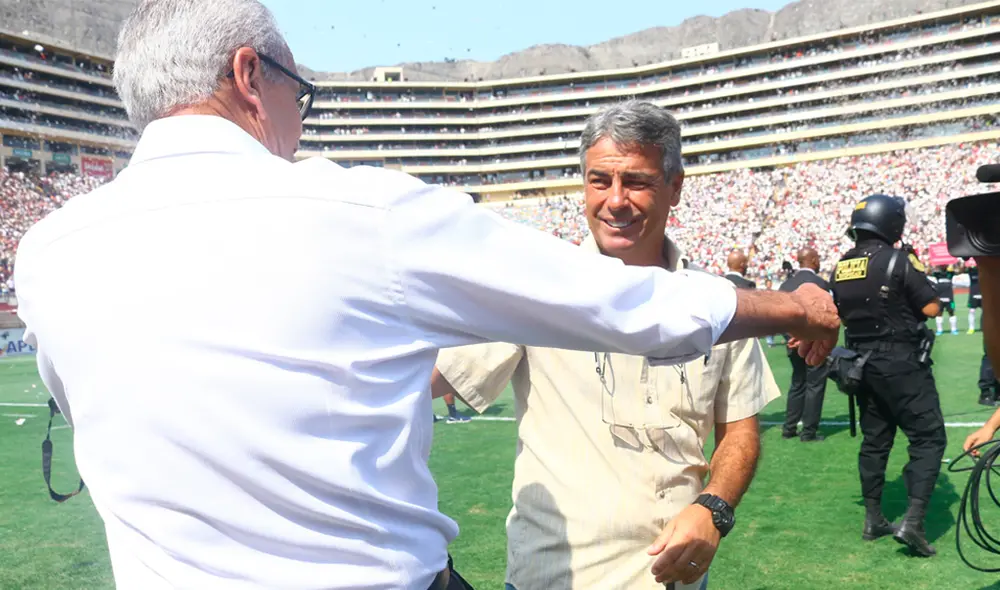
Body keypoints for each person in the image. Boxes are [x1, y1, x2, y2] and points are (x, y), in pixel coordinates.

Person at [11, 4, 839, 590]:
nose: (300, 117)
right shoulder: (359, 212)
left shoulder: (46, 254)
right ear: (248, 75)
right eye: (301, 91)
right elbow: (625, 304)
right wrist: (796, 306)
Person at [432, 101, 782, 590]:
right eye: (600, 180)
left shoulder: (715, 304)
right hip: (552, 579)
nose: (615, 200)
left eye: (636, 181)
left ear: (675, 187)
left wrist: (715, 507)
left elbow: (740, 432)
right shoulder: (539, 289)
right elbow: (417, 381)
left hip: (672, 583)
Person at [829, 193, 945, 558]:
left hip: (862, 367)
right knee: (929, 438)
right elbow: (931, 307)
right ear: (892, 224)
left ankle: (874, 518)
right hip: (901, 362)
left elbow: (843, 315)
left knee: (875, 441)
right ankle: (913, 522)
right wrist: (917, 268)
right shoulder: (898, 259)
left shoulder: (841, 265)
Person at [779, 247, 830, 442]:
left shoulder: (785, 286)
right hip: (815, 343)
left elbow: (779, 317)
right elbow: (827, 315)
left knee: (797, 383)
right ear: (814, 260)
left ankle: (789, 427)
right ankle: (808, 431)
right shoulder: (820, 284)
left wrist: (791, 337)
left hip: (792, 343)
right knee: (815, 385)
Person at [930, 265, 958, 335]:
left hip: (950, 298)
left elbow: (958, 271)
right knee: (939, 314)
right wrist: (934, 267)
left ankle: (954, 329)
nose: (943, 266)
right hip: (940, 298)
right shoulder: (937, 274)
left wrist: (952, 266)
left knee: (951, 312)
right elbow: (929, 272)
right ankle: (939, 330)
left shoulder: (950, 273)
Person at [968, 263, 981, 334]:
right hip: (973, 294)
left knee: (985, 312)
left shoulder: (983, 269)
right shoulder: (971, 271)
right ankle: (971, 328)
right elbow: (963, 268)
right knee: (972, 311)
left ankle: (983, 327)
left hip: (983, 293)